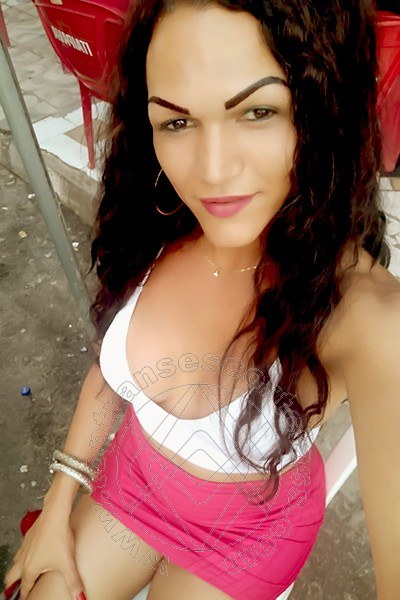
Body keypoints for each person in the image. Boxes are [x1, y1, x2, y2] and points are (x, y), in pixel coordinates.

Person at [4, 0, 400, 598]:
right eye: (177, 122)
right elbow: (111, 374)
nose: (212, 172)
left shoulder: (361, 312)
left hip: (249, 537)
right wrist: (58, 506)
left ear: (323, 109)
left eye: (258, 111)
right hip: (134, 486)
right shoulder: (161, 217)